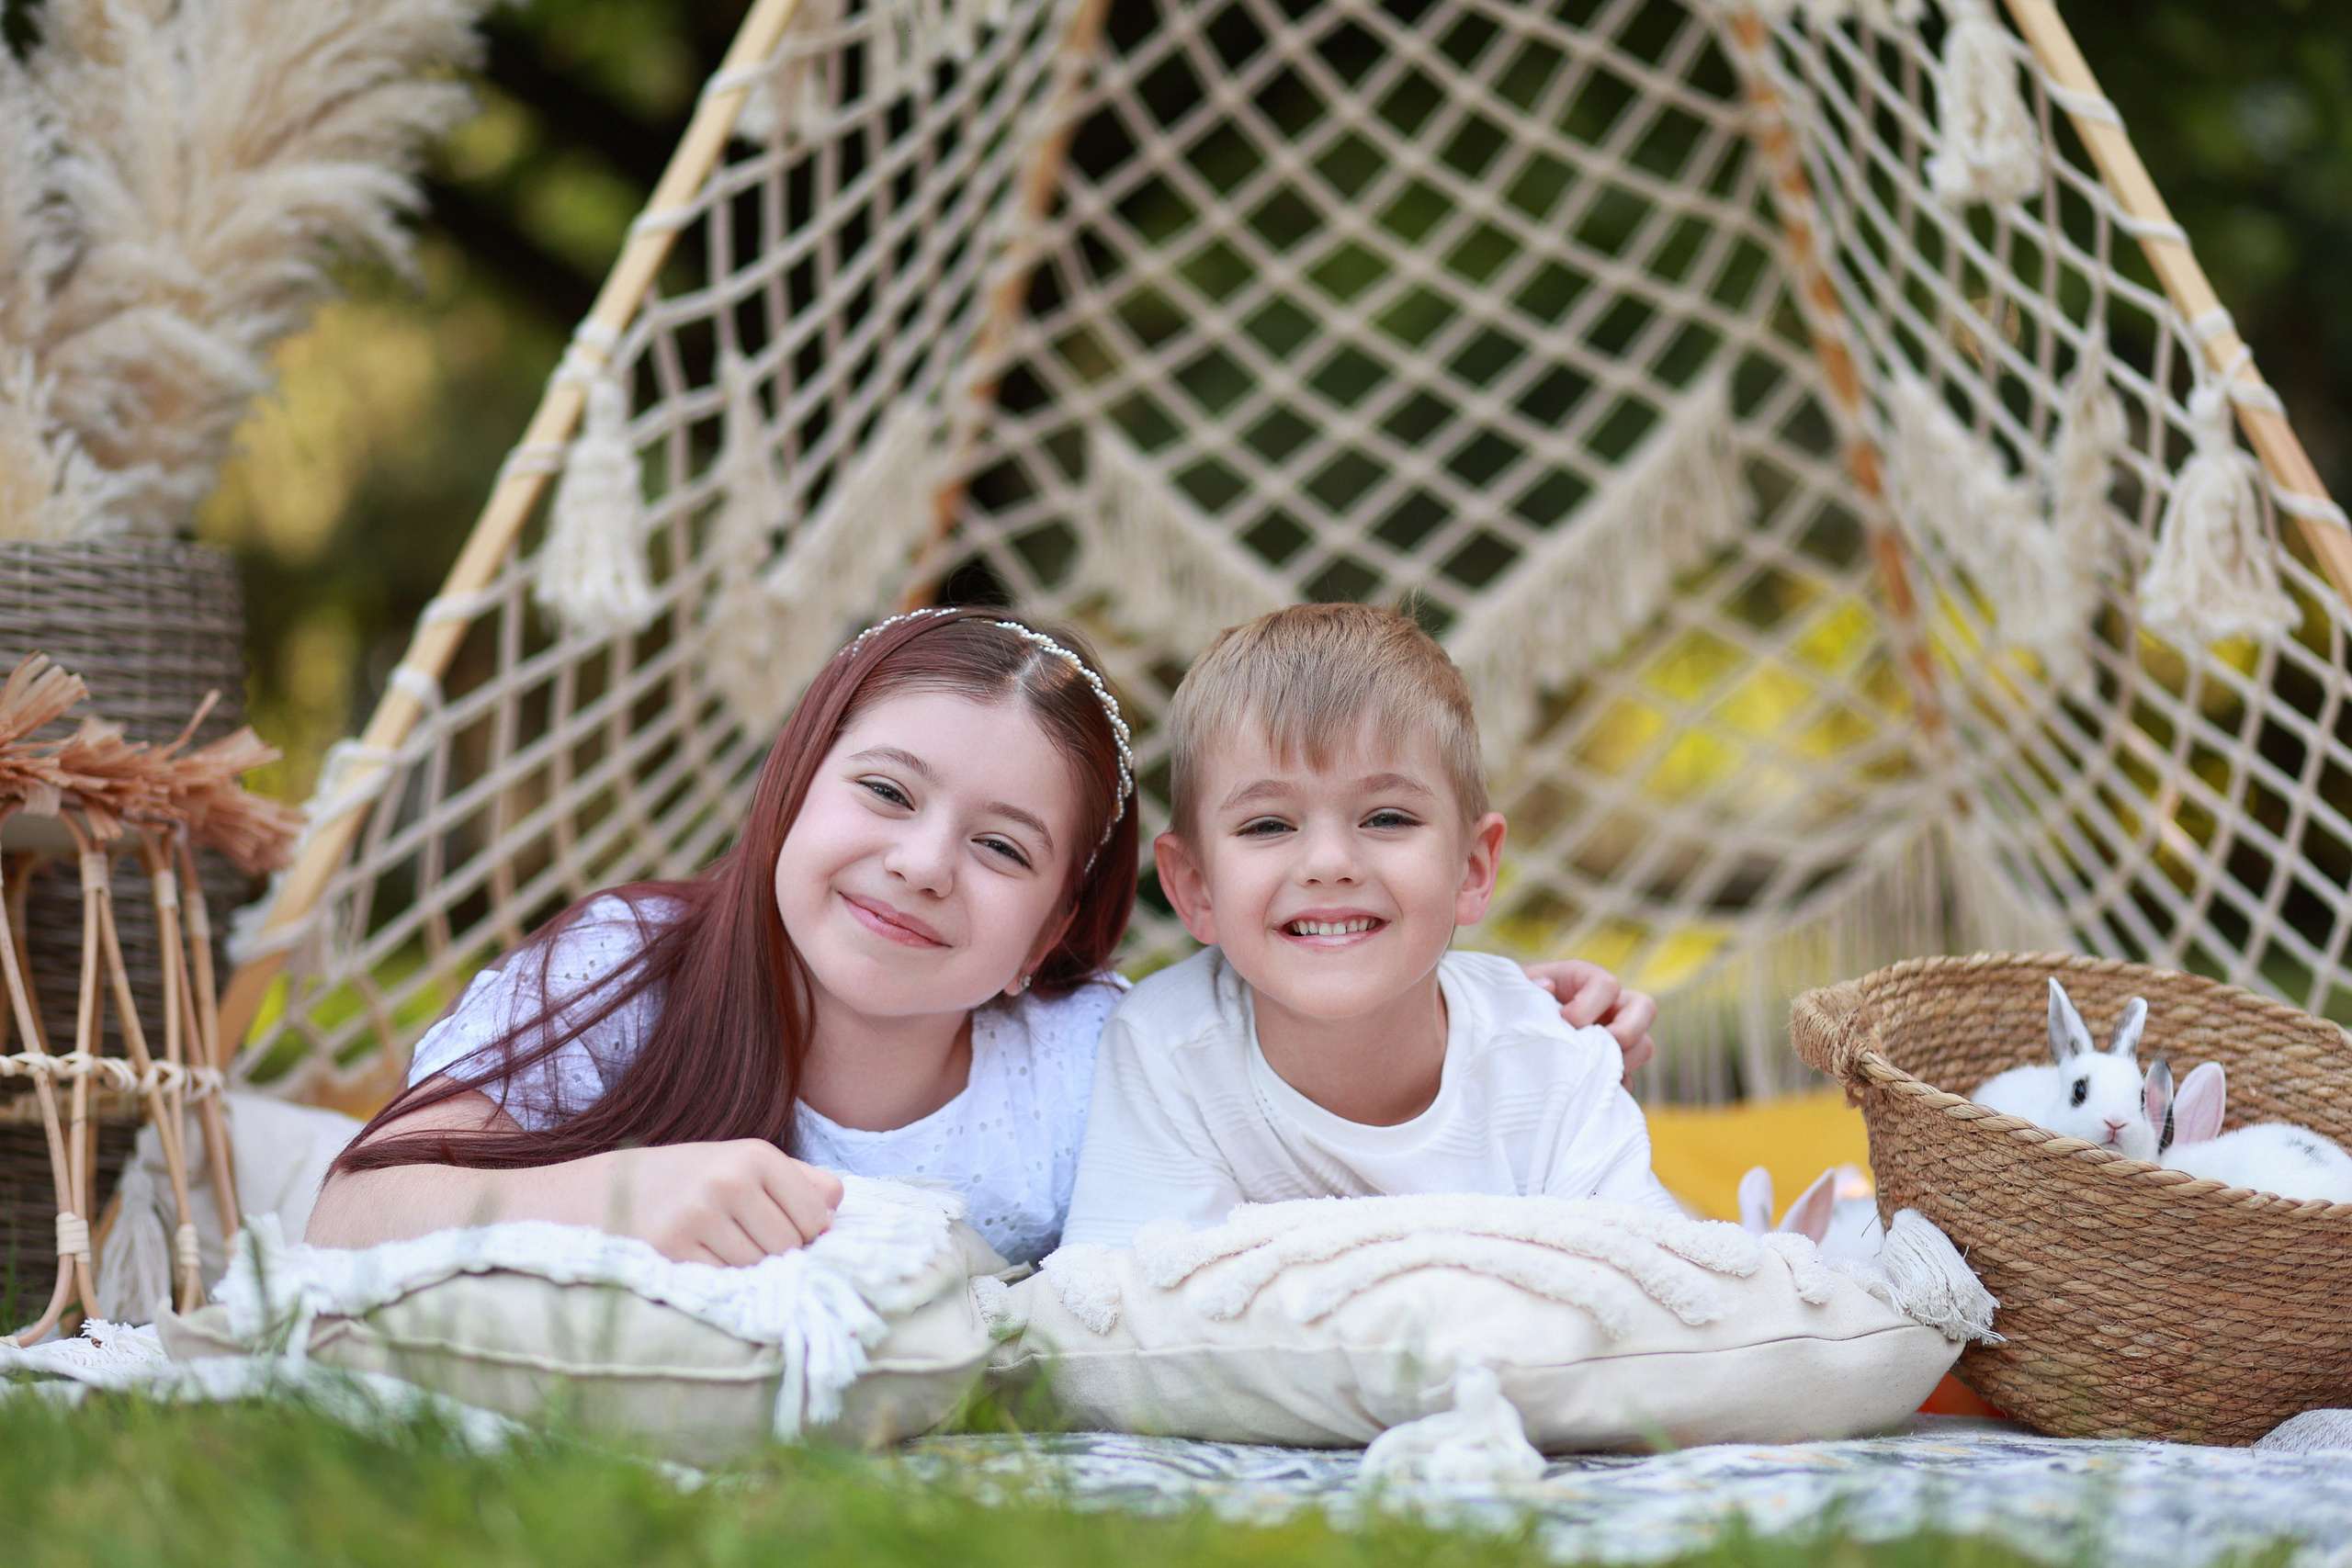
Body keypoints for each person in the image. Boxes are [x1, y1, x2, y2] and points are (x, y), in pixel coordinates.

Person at [309, 608, 1657, 1268]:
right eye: (885, 791)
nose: (921, 862)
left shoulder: (1083, 1067)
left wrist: (1504, 1009)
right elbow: (349, 1209)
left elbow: (1292, 1075)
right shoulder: (626, 972)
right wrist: (621, 1195)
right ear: (792, 791)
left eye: (1003, 846)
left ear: (1052, 928)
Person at [1061, 603, 1678, 1248]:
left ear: (1472, 869)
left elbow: (1656, 1276)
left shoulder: (1549, 1057)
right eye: (1267, 825)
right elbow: (1137, 1290)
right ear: (1195, 887)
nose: (1329, 863)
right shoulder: (1168, 1049)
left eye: (1387, 818)